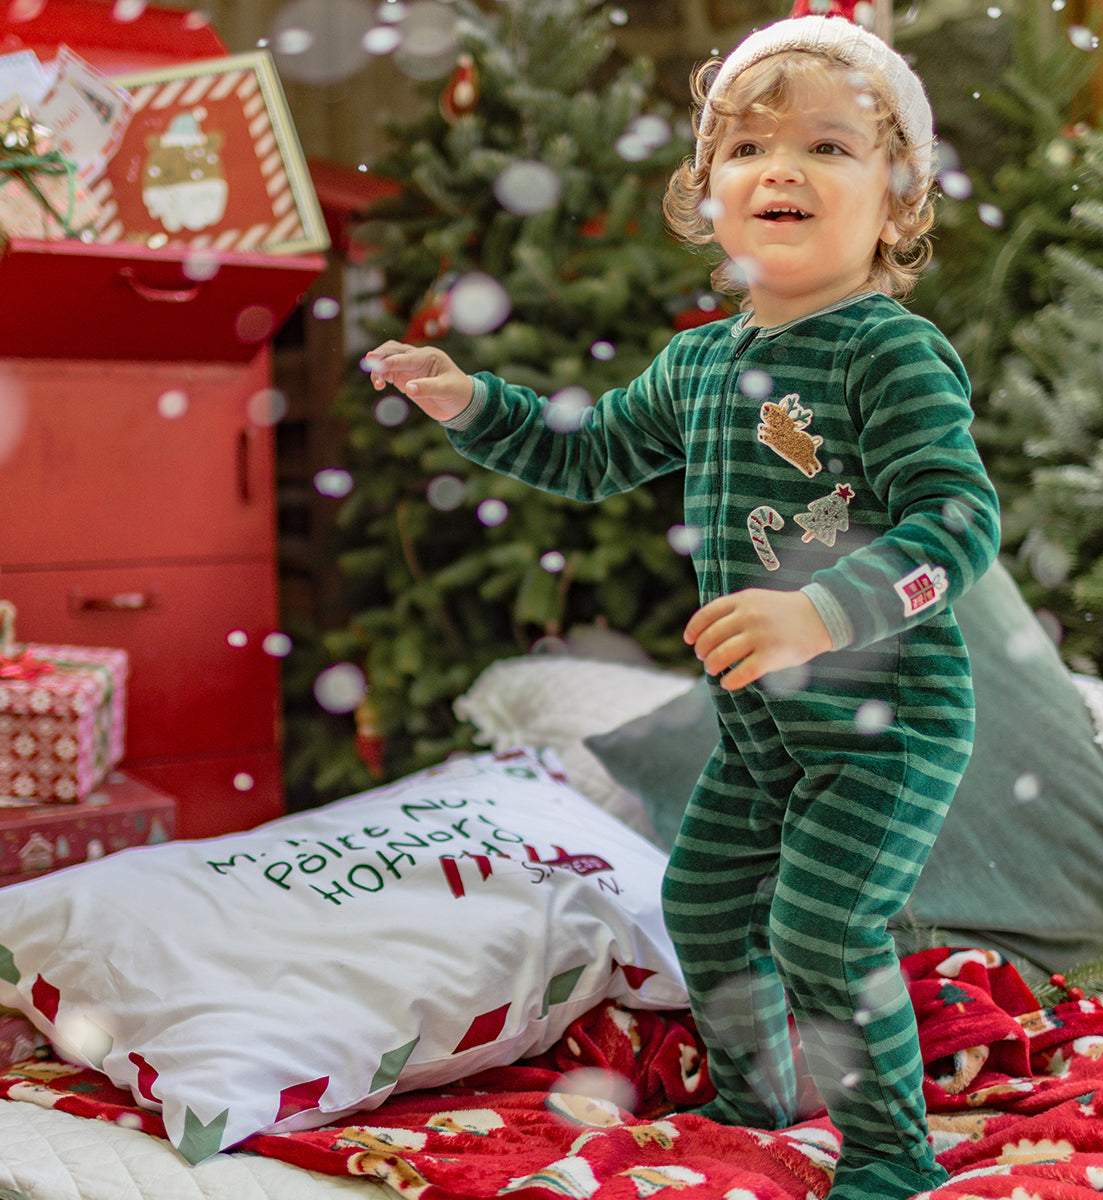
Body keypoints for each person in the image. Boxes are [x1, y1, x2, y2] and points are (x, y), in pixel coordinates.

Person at [366, 14, 1000, 1199]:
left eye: (828, 146)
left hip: (889, 724)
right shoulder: (700, 365)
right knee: (704, 908)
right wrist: (474, 406)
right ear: (707, 194)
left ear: (899, 199)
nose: (783, 169)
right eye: (749, 149)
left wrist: (822, 612)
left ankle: (888, 1154)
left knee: (821, 929)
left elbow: (959, 526)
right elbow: (589, 453)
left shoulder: (890, 353)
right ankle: (761, 1098)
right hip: (763, 734)